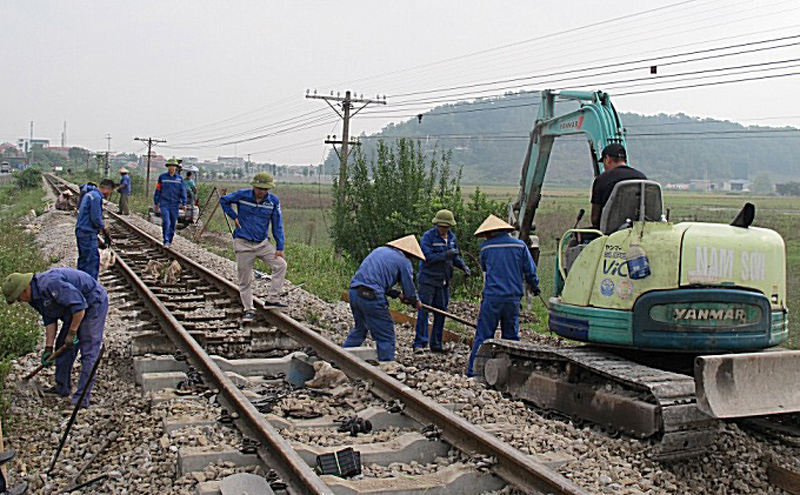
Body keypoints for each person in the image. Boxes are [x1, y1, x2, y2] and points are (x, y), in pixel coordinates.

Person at [3, 268, 108, 409]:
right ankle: (62, 387)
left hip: (92, 303)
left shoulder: (51, 284)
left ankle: (81, 400)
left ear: (24, 290)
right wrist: (48, 348)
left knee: (88, 352)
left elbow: (80, 307)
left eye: (18, 298)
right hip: (73, 310)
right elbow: (49, 319)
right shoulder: (34, 298)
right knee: (62, 347)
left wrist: (72, 333)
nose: (20, 302)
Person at [466, 215, 539, 377]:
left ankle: (474, 372)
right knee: (511, 336)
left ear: (490, 233)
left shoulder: (486, 248)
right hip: (512, 297)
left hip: (492, 296)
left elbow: (485, 267)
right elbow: (530, 271)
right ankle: (512, 373)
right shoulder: (520, 246)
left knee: (484, 335)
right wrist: (535, 287)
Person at [344, 235, 424, 362]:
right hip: (371, 296)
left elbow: (376, 280)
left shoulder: (379, 250)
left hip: (354, 292)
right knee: (386, 336)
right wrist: (415, 302)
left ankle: (341, 357)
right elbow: (409, 290)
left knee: (360, 329)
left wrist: (397, 295)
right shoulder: (404, 262)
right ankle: (386, 368)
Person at [219, 172, 287, 321]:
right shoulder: (242, 196)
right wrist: (234, 216)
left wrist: (280, 247)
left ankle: (272, 299)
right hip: (243, 243)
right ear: (254, 186)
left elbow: (277, 225)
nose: (261, 191)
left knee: (280, 265)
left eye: (265, 189)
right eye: (259, 188)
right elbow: (223, 200)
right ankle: (248, 309)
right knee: (245, 279)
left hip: (262, 243)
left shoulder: (273, 202)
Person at [412, 209, 469, 353]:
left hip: (444, 280)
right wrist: (445, 255)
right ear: (437, 225)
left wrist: (462, 266)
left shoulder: (452, 238)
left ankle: (436, 344)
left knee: (441, 312)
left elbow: (454, 257)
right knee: (424, 311)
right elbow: (427, 257)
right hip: (428, 280)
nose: (444, 229)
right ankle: (420, 344)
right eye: (442, 226)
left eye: (447, 227)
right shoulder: (428, 237)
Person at [590, 143, 647, 229]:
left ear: (608, 159)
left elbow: (595, 219)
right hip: (638, 231)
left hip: (610, 234)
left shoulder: (602, 179)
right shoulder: (642, 178)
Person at [76, 179, 114, 280]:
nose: (110, 194)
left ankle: (81, 284)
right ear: (106, 189)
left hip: (82, 231)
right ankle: (90, 286)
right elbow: (95, 218)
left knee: (83, 261)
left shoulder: (90, 194)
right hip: (87, 232)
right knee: (91, 262)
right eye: (110, 191)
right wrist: (104, 229)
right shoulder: (96, 197)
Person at [153, 158, 187, 247]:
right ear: (168, 167)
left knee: (172, 223)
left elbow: (183, 191)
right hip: (164, 203)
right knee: (166, 222)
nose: (172, 167)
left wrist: (184, 203)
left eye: (174, 166)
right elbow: (158, 190)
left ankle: (170, 240)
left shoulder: (180, 179)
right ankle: (166, 240)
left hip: (175, 204)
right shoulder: (162, 177)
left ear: (176, 167)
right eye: (170, 166)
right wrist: (156, 202)